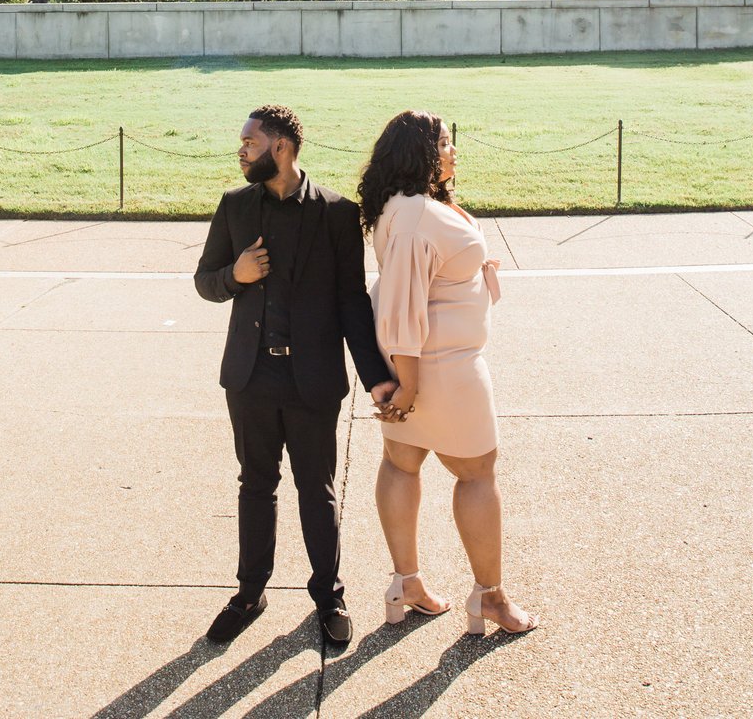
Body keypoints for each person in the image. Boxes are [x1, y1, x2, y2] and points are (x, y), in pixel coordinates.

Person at [194, 104, 396, 647]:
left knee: (317, 489)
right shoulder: (235, 206)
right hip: (250, 376)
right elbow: (204, 281)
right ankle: (249, 593)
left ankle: (329, 596)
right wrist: (234, 277)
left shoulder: (336, 213)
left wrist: (376, 375)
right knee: (255, 485)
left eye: (249, 142)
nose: (240, 150)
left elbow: (352, 303)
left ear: (280, 147)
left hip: (312, 381)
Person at [359, 109, 537, 637]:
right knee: (477, 472)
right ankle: (491, 598)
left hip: (422, 364)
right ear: (421, 154)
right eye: (444, 143)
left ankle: (406, 584)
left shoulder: (412, 204)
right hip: (441, 369)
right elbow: (400, 305)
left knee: (401, 463)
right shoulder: (417, 215)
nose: (453, 151)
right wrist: (409, 385)